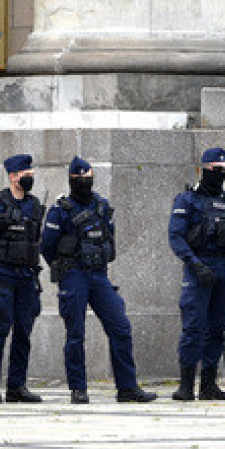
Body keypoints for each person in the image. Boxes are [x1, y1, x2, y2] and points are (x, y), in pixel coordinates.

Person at [41, 157, 155, 405]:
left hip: (99, 276)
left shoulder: (102, 207)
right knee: (76, 333)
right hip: (74, 276)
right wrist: (65, 270)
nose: (85, 182)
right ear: (72, 180)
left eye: (89, 177)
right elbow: (47, 247)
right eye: (80, 178)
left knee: (121, 327)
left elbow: (110, 241)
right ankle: (78, 388)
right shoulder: (60, 210)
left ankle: (127, 388)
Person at [167, 148, 225, 402]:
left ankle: (209, 383)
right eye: (216, 170)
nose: (220, 175)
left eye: (224, 170)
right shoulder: (187, 200)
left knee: (217, 329)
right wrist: (195, 264)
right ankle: (186, 384)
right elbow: (175, 236)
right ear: (204, 169)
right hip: (199, 267)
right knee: (194, 327)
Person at [0, 154, 44, 404]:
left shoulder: (35, 205)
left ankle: (17, 387)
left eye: (32, 176)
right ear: (13, 176)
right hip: (4, 275)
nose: (29, 179)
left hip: (27, 276)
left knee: (23, 332)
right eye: (25, 175)